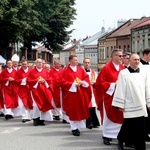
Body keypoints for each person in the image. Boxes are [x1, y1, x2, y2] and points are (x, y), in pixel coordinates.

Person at [112, 53, 150, 150]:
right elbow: (120, 89)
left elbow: (147, 88)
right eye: (134, 60)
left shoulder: (144, 73)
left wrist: (149, 103)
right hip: (129, 105)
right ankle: (121, 139)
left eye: (138, 59)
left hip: (141, 104)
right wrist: (120, 104)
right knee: (128, 126)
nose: (137, 61)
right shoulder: (123, 73)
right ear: (130, 61)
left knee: (141, 130)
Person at [56, 55, 92, 136]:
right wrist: (72, 84)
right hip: (71, 94)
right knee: (73, 111)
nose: (77, 61)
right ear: (70, 61)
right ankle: (74, 128)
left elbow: (86, 79)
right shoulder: (65, 71)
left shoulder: (80, 70)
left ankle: (79, 127)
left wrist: (82, 82)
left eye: (77, 60)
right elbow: (61, 82)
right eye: (75, 60)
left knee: (79, 110)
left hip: (80, 94)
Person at [95, 49, 124, 145]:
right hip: (109, 96)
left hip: (120, 96)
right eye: (119, 56)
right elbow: (100, 83)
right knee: (108, 116)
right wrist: (113, 85)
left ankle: (119, 136)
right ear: (113, 57)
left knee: (120, 116)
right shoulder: (106, 68)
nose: (121, 58)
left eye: (122, 56)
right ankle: (106, 135)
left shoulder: (122, 68)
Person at [27, 58, 54, 126]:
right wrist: (37, 81)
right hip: (36, 91)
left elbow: (50, 79)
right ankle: (35, 119)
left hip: (44, 90)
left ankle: (42, 120)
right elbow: (29, 80)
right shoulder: (32, 72)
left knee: (43, 104)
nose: (40, 64)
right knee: (36, 105)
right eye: (38, 62)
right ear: (35, 64)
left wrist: (44, 80)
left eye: (41, 62)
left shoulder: (45, 71)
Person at [83, 58, 100, 129]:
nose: (87, 64)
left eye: (88, 62)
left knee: (93, 107)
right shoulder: (81, 71)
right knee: (87, 107)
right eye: (86, 62)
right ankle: (88, 123)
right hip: (85, 91)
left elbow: (97, 80)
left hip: (92, 90)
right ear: (83, 63)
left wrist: (94, 82)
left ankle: (94, 122)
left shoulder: (93, 72)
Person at [139, 48, 150, 142]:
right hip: (142, 93)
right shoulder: (139, 66)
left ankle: (147, 134)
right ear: (146, 54)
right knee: (143, 116)